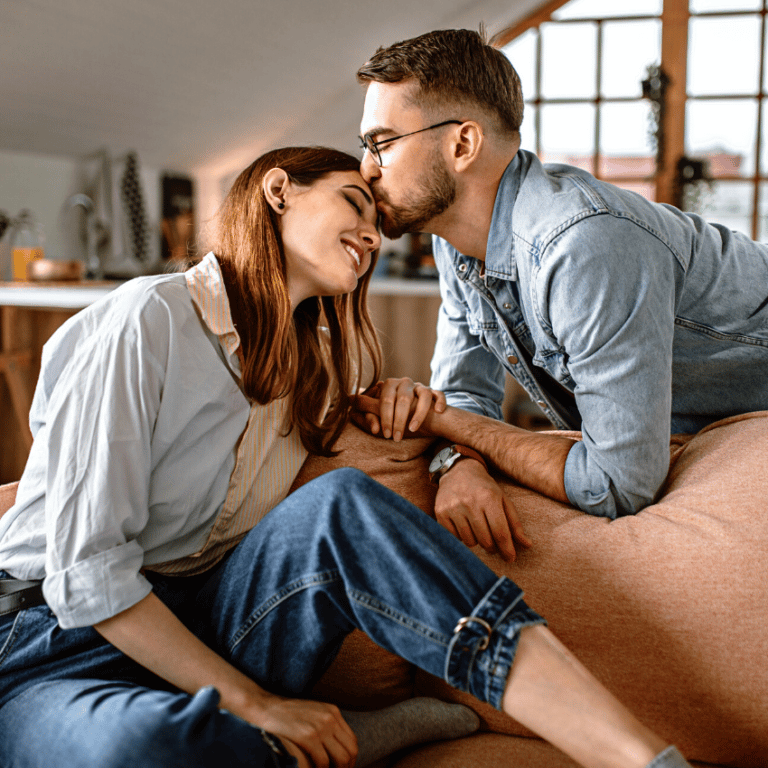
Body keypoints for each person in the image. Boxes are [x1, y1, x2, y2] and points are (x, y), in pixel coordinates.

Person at [0, 146, 692, 768]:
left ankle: (642, 760)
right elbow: (87, 574)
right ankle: (355, 737)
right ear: (279, 191)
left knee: (341, 506)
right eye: (354, 202)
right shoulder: (150, 320)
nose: (372, 234)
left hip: (208, 622)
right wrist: (255, 702)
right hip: (51, 646)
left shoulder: (324, 366)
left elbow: (419, 430)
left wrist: (458, 462)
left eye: (379, 224)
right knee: (140, 749)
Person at [354, 28, 768, 556]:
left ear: (462, 144)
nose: (366, 168)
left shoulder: (581, 245)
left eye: (382, 143)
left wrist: (448, 423)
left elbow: (616, 485)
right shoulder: (458, 245)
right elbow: (463, 392)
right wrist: (458, 463)